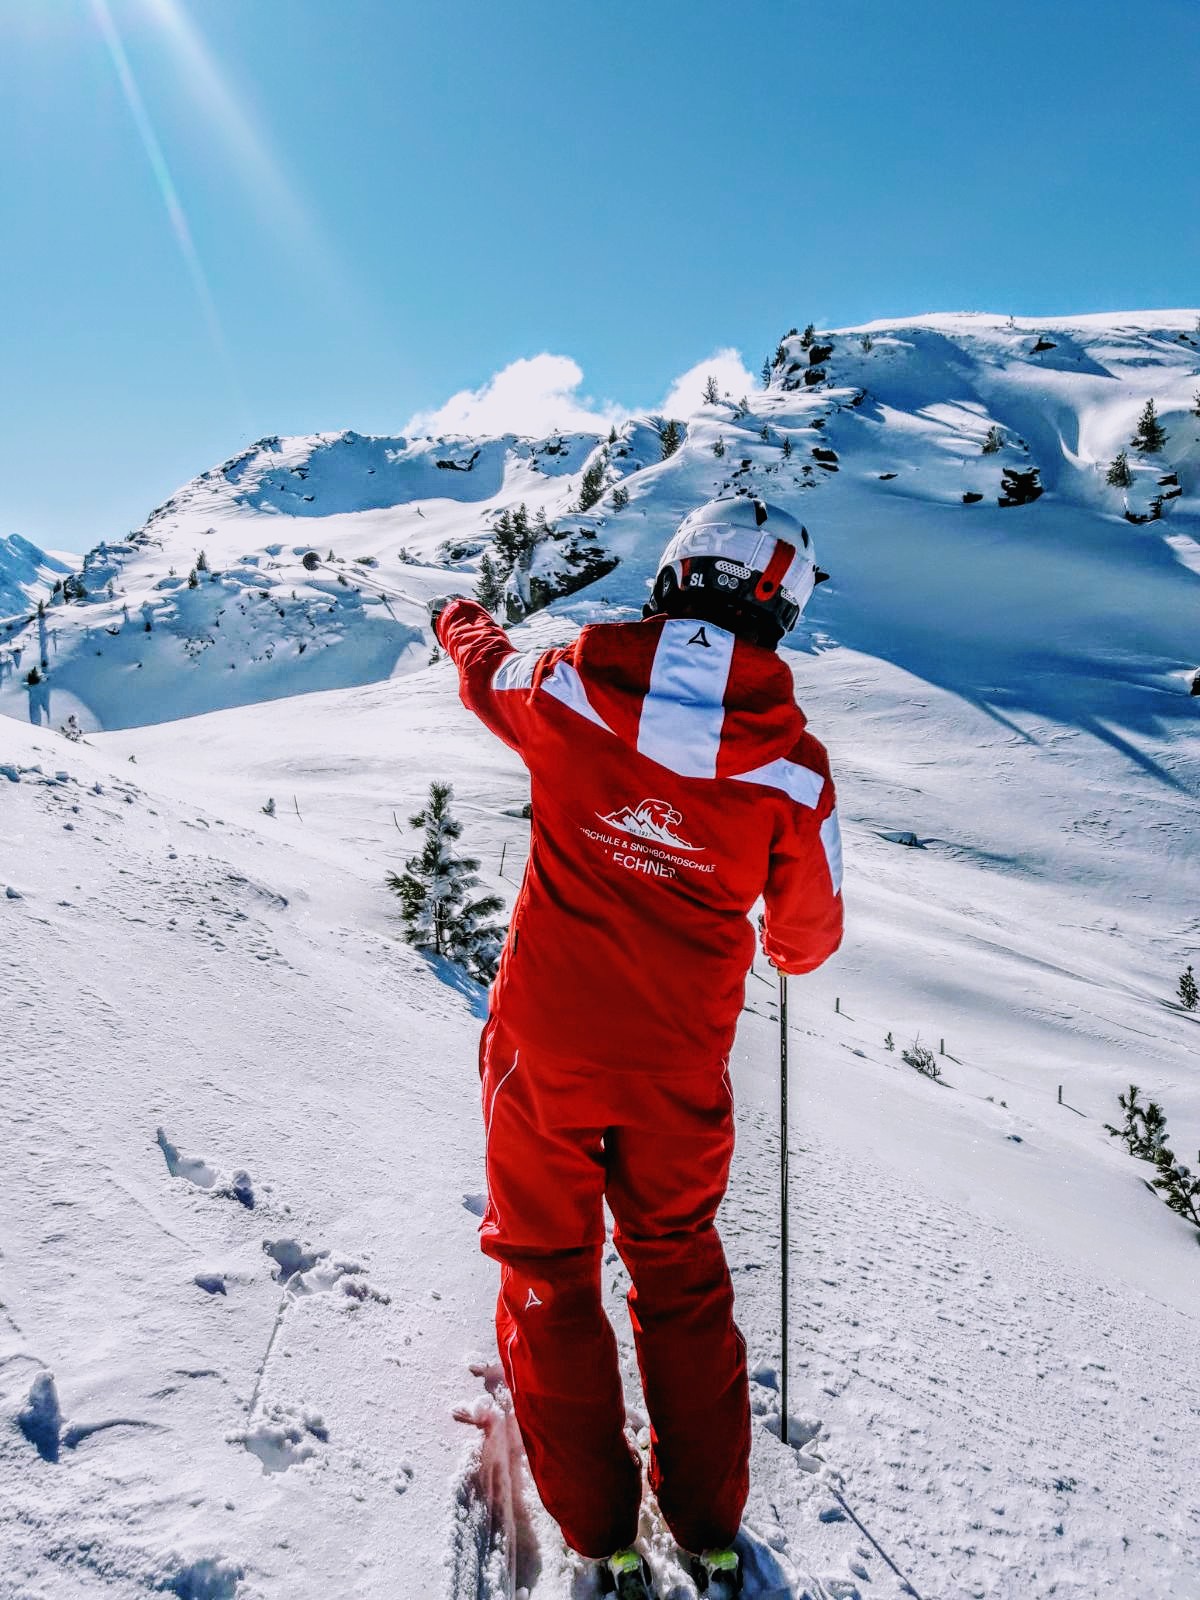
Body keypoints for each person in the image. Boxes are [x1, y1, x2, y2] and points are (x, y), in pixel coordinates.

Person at [431, 495, 844, 1600]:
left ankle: (599, 1529)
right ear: (782, 613)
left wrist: (458, 615)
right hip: (676, 1070)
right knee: (678, 1265)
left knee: (548, 1268)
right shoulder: (794, 770)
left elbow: (486, 670)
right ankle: (707, 1522)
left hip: (544, 1051)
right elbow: (807, 941)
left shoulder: (569, 686)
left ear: (676, 573)